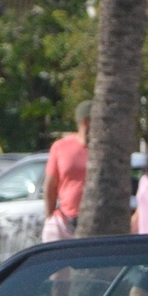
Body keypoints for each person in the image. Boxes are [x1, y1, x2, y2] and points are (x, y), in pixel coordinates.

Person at [42, 102, 90, 242]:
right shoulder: (61, 147)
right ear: (85, 121)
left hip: (93, 223)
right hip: (63, 222)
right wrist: (50, 218)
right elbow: (50, 187)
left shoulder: (103, 151)